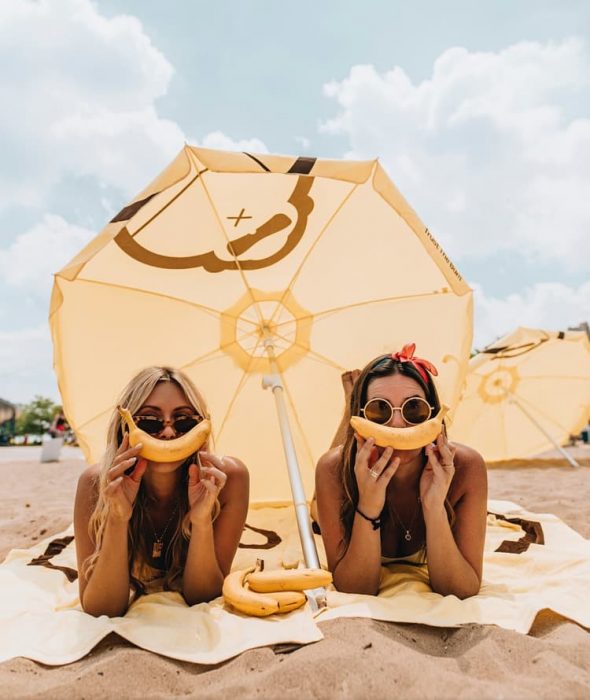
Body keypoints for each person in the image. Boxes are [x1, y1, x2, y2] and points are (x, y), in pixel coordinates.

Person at [315, 344, 487, 599]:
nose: (397, 425)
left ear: (433, 416)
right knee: (315, 507)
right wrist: (368, 505)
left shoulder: (466, 467)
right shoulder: (332, 469)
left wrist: (434, 506)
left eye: (414, 409)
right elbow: (356, 589)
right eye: (379, 410)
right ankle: (349, 411)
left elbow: (460, 589)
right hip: (342, 478)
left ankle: (357, 402)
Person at [74, 367, 249, 617]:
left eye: (185, 421)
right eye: (149, 422)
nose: (168, 432)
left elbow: (203, 597)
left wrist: (201, 522)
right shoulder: (95, 484)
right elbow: (102, 608)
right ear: (126, 428)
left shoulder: (228, 479)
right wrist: (117, 517)